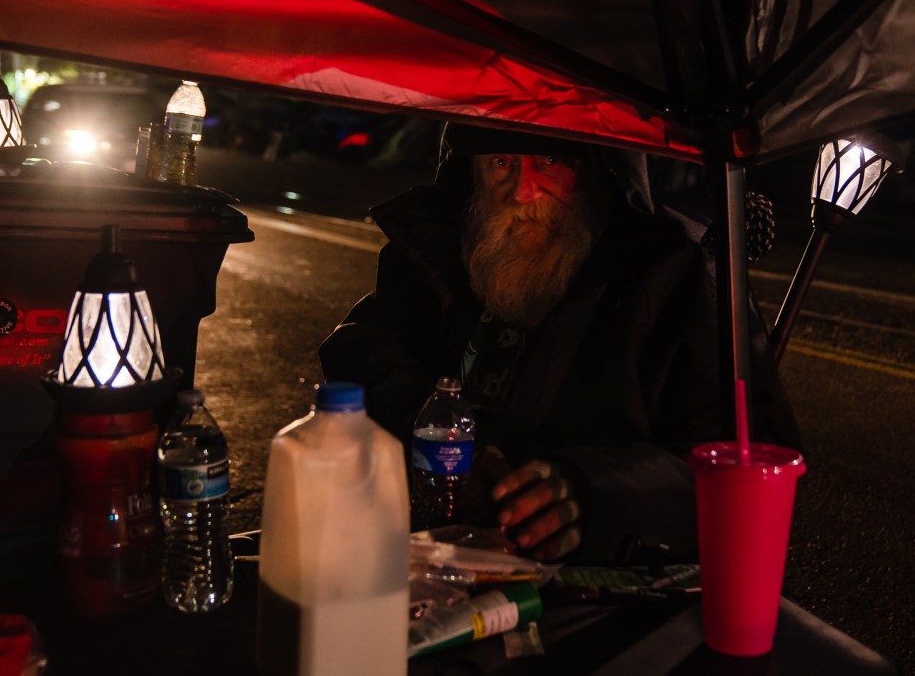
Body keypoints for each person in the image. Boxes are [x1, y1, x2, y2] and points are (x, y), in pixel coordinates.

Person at [319, 124, 800, 564]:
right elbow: (363, 354)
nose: (524, 192)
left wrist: (595, 494)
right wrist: (440, 439)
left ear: (594, 168)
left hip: (595, 596)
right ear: (471, 173)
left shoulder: (679, 273)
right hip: (427, 560)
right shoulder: (439, 248)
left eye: (549, 160)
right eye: (501, 163)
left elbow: (752, 456)